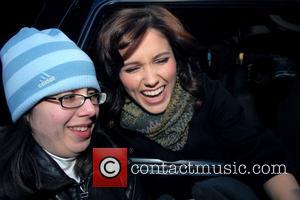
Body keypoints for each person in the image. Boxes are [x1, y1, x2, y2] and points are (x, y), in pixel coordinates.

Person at [95, 5, 300, 200]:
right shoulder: (108, 118)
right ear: (117, 75)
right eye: (132, 68)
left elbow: (265, 160)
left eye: (161, 60)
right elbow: (109, 189)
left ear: (176, 58)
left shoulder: (209, 96)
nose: (151, 80)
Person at [0, 27, 144, 200]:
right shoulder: (9, 188)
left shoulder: (108, 156)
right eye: (68, 97)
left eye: (92, 95)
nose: (91, 110)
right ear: (27, 112)